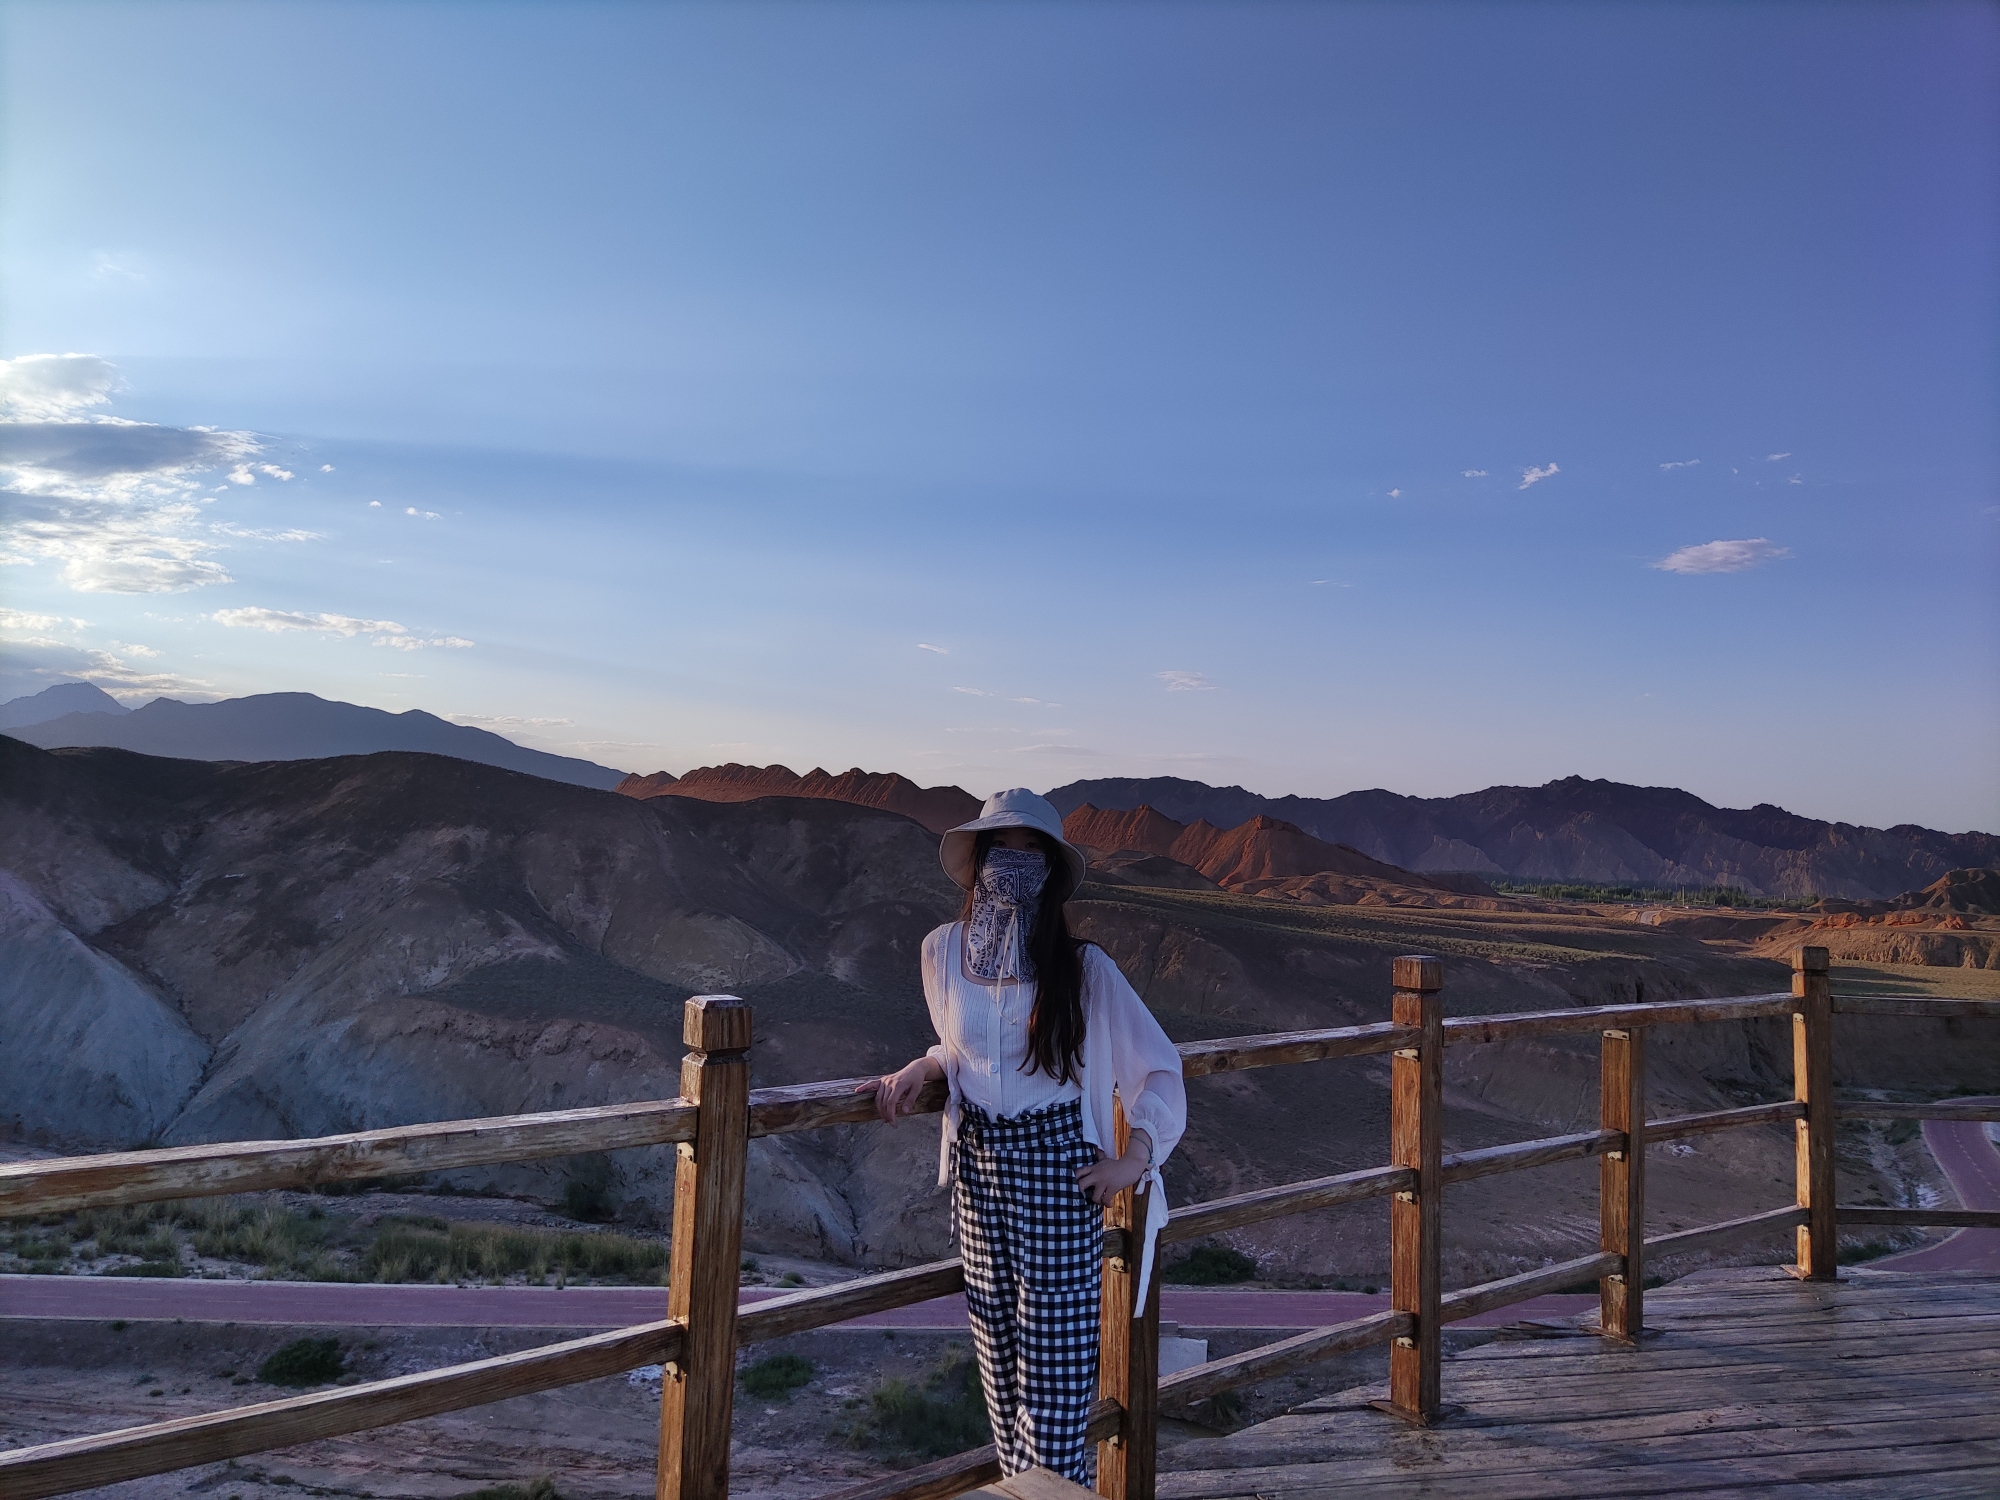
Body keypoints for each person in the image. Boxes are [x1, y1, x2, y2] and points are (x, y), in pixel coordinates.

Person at [859, 787, 1187, 1483]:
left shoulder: (1085, 971)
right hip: (980, 1178)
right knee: (1002, 1381)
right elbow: (965, 1048)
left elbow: (1159, 1066)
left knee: (1059, 1393)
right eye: (999, 850)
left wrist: (1136, 1156)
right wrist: (922, 1066)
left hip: (1058, 1177)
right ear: (977, 860)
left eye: (1028, 851)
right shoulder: (941, 953)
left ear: (1049, 869)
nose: (1011, 864)